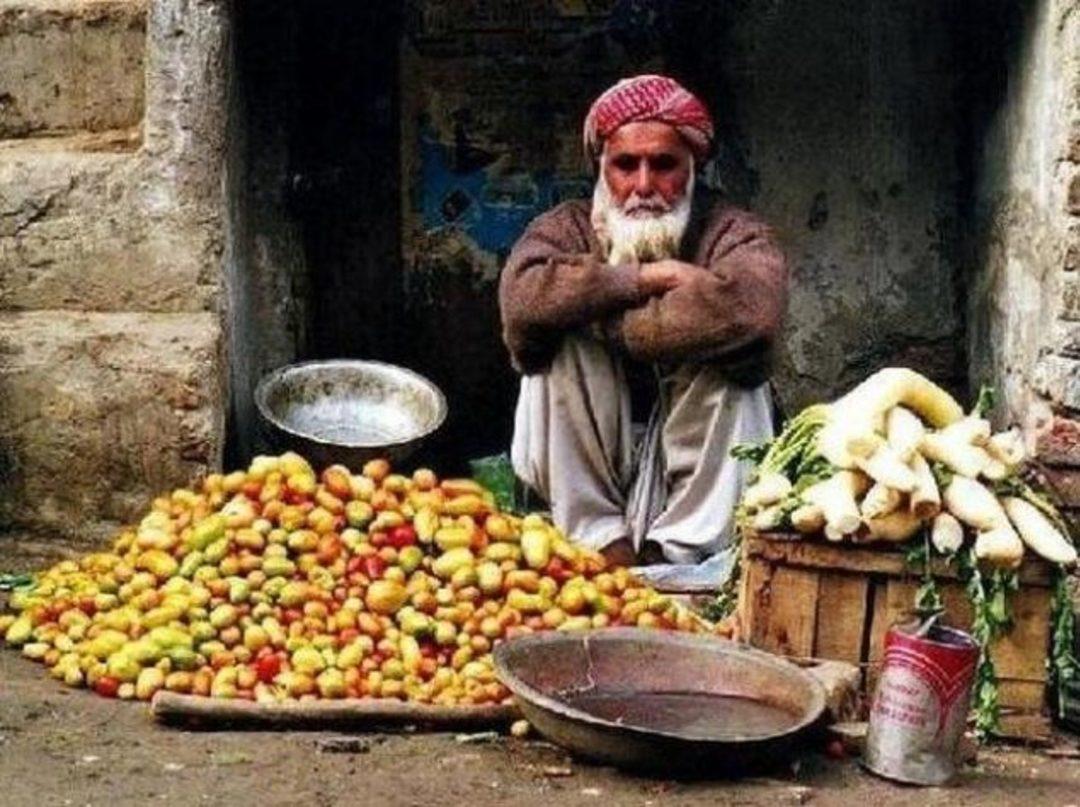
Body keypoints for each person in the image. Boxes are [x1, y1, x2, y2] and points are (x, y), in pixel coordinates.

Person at [498, 75, 788, 569]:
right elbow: (523, 302)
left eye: (664, 165)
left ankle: (673, 553)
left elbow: (753, 316)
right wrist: (648, 278)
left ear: (692, 168)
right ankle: (602, 546)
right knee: (557, 347)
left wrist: (593, 309)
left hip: (695, 469)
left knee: (734, 365)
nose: (644, 185)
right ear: (603, 169)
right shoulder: (565, 227)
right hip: (596, 457)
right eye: (626, 165)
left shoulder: (735, 232)